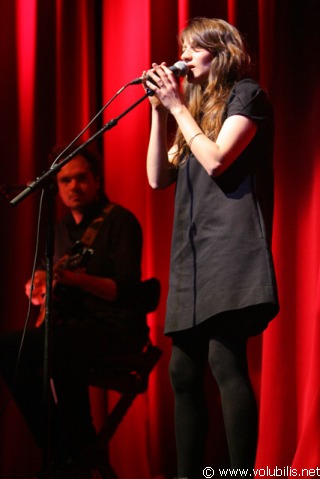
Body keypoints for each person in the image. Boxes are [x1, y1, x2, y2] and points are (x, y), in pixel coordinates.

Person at [144, 17, 279, 479]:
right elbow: (158, 178)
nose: (181, 56)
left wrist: (177, 107)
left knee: (224, 357)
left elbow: (218, 160)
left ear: (217, 51)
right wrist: (160, 114)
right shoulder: (193, 109)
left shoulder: (247, 94)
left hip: (231, 247)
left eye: (190, 48)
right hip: (192, 253)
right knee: (182, 372)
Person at [0, 146, 149, 477]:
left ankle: (78, 448)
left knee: (59, 345)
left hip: (115, 327)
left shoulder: (120, 222)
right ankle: (58, 447)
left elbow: (124, 290)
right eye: (64, 180)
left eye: (80, 178)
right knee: (10, 348)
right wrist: (38, 288)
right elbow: (46, 281)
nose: (72, 186)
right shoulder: (60, 229)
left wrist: (74, 279)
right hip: (69, 327)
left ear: (97, 179)